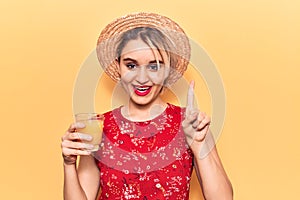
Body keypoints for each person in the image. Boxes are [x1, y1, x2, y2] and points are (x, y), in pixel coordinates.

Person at [61, 12, 233, 200]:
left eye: (154, 66)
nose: (142, 79)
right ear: (118, 65)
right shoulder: (99, 127)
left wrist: (199, 144)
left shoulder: (190, 123)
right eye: (131, 65)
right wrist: (69, 163)